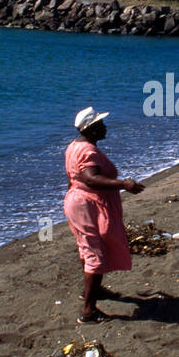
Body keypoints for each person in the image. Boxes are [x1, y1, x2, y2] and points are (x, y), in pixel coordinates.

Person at [63, 106, 144, 324]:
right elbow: (90, 178)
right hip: (86, 204)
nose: (105, 127)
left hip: (76, 201)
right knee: (94, 253)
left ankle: (92, 291)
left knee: (87, 247)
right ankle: (88, 311)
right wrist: (123, 184)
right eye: (101, 125)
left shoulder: (74, 146)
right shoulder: (88, 151)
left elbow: (73, 178)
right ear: (92, 130)